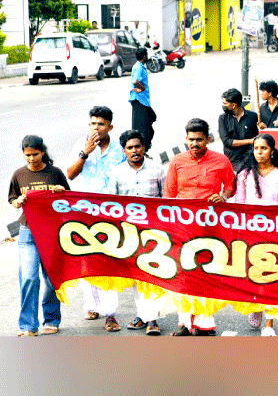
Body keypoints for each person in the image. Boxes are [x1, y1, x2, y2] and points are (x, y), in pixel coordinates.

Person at [164, 118, 236, 336]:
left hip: (209, 226)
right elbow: (169, 195)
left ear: (208, 139)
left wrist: (223, 197)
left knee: (206, 272)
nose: (195, 144)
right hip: (183, 227)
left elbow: (230, 187)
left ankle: (204, 323)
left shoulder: (221, 160)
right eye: (191, 139)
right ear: (186, 139)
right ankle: (184, 323)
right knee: (183, 273)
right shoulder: (177, 162)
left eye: (199, 139)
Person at [66, 106, 126, 331]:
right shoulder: (81, 145)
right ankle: (91, 305)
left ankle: (110, 313)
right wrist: (85, 153)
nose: (96, 128)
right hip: (83, 214)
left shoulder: (119, 149)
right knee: (87, 261)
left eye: (101, 124)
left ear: (110, 126)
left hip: (111, 215)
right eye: (93, 124)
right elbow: (70, 174)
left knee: (108, 262)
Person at [107, 129, 167, 336]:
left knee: (153, 275)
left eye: (138, 146)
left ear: (144, 147)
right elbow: (111, 205)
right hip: (129, 235)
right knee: (137, 278)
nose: (134, 151)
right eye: (130, 147)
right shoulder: (116, 173)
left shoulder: (157, 169)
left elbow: (166, 200)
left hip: (154, 234)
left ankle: (151, 319)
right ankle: (145, 315)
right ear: (123, 151)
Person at [233, 134, 278, 337]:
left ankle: (269, 323)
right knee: (253, 276)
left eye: (264, 148)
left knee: (272, 278)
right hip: (250, 235)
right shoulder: (245, 175)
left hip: (275, 235)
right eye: (256, 148)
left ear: (272, 151)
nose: (259, 152)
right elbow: (239, 206)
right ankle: (256, 305)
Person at [9, 135, 67, 336]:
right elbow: (12, 199)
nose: (31, 158)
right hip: (28, 232)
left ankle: (51, 320)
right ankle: (28, 325)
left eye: (35, 154)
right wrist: (18, 202)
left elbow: (68, 200)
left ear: (43, 152)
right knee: (28, 277)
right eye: (27, 155)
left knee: (51, 279)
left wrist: (60, 191)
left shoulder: (55, 173)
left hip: (51, 232)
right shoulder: (19, 174)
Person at [218, 88, 259, 171]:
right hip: (232, 162)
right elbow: (227, 142)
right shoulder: (223, 118)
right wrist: (251, 141)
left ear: (233, 105)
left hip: (250, 160)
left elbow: (258, 137)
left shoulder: (253, 117)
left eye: (225, 103)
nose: (223, 106)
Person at [129, 47, 156, 150]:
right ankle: (143, 148)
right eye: (147, 55)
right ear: (144, 56)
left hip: (142, 100)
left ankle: (145, 146)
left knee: (150, 119)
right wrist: (142, 88)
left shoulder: (138, 66)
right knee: (142, 127)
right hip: (140, 100)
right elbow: (135, 81)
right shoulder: (139, 67)